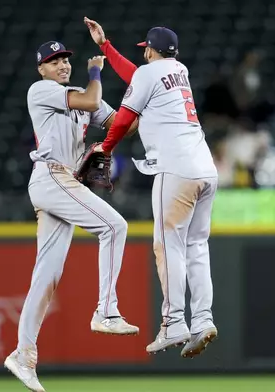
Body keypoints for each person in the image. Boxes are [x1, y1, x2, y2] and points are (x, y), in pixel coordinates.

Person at [3, 40, 139, 392]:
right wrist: (96, 69)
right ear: (42, 69)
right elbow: (92, 101)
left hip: (64, 180)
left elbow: (119, 122)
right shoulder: (42, 90)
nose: (62, 64)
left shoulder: (79, 92)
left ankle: (23, 354)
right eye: (53, 61)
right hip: (52, 176)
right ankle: (106, 311)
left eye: (64, 59)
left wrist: (140, 101)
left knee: (46, 275)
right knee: (115, 226)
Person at [84, 17, 218, 358]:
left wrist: (106, 147)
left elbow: (126, 117)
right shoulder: (179, 71)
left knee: (166, 245)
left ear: (151, 52)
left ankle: (174, 323)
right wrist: (106, 47)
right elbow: (137, 77)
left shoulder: (150, 72)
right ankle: (202, 319)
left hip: (175, 169)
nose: (143, 56)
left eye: (146, 51)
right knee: (196, 246)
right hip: (205, 168)